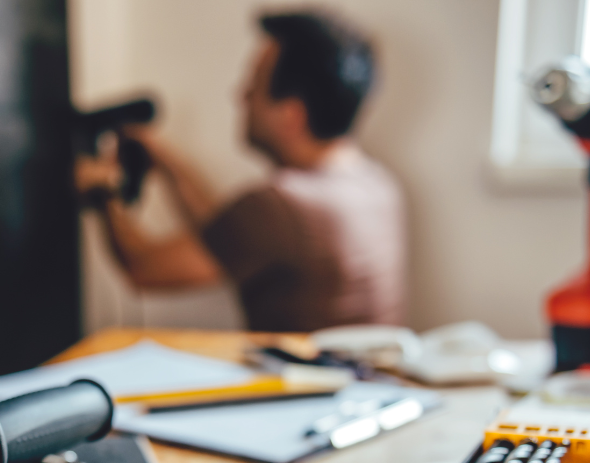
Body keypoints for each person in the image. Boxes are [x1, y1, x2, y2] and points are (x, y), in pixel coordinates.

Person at [76, 11, 406, 332]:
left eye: (254, 85)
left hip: (304, 386)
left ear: (291, 116)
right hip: (367, 385)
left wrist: (105, 189)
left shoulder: (278, 207)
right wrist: (167, 163)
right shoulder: (377, 185)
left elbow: (144, 268)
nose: (241, 96)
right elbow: (226, 238)